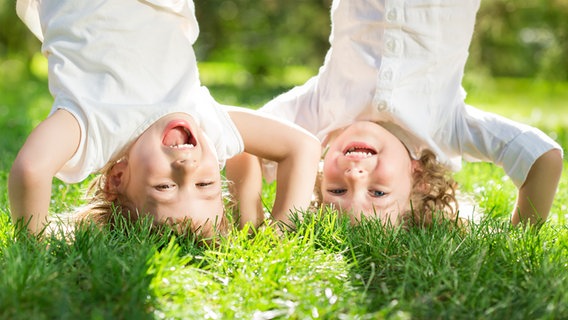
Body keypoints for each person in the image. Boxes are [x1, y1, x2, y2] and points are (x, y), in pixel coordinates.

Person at [9, 0, 321, 237]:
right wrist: (279, 234)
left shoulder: (98, 127)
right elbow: (302, 147)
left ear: (117, 178)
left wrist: (35, 242)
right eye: (205, 183)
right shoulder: (201, 120)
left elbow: (31, 169)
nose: (187, 168)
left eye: (164, 187)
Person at [256, 0, 563, 227]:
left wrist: (251, 216)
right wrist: (521, 235)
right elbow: (543, 156)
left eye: (336, 190)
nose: (354, 176)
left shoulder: (321, 109)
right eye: (377, 193)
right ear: (420, 180)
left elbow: (242, 143)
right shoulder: (446, 128)